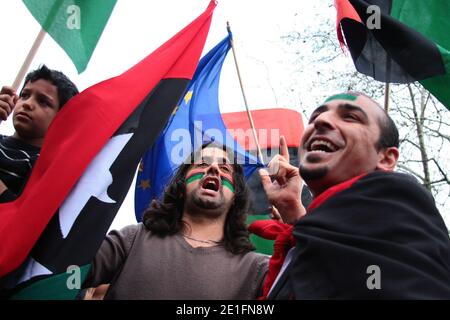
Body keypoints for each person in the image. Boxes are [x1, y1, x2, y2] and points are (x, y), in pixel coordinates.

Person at [256, 92, 450, 299]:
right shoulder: (314, 235)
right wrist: (292, 210)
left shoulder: (397, 199)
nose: (320, 121)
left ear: (386, 158)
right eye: (314, 118)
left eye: (350, 117)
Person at [82, 142, 269, 299]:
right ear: (181, 186)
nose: (213, 168)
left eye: (224, 168)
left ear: (235, 195)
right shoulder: (132, 240)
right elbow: (63, 272)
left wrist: (293, 211)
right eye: (201, 164)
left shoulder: (256, 270)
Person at [0, 65, 78, 202]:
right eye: (24, 95)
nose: (28, 104)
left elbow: (17, 215)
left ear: (62, 119)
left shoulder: (42, 167)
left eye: (43, 102)